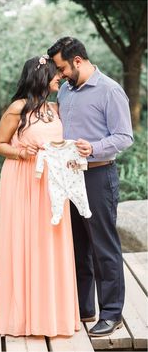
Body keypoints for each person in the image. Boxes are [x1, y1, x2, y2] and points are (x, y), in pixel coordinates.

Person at [47, 37, 133, 337]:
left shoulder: (109, 90)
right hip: (67, 178)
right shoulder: (66, 91)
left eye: (62, 67)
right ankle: (85, 308)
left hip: (97, 176)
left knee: (103, 247)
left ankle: (112, 314)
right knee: (78, 245)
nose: (61, 74)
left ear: (78, 61)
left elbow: (124, 137)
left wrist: (93, 148)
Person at [0, 55, 81, 337]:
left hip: (52, 182)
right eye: (55, 74)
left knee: (50, 243)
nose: (59, 78)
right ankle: (22, 317)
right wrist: (21, 152)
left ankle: (51, 314)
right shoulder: (18, 108)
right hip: (23, 180)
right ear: (41, 77)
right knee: (25, 241)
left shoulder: (54, 108)